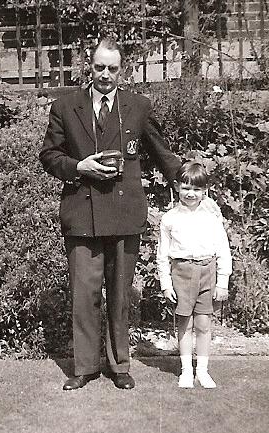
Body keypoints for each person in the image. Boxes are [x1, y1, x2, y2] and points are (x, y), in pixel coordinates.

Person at [39, 37, 181, 390]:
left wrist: (192, 184)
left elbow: (162, 153)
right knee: (84, 295)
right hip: (82, 215)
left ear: (122, 70)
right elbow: (49, 156)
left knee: (119, 295)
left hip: (123, 213)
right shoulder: (65, 107)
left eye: (112, 69)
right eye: (100, 67)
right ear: (91, 66)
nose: (105, 74)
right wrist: (79, 166)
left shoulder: (138, 106)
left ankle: (119, 366)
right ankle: (84, 367)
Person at [156, 161, 232, 389]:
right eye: (186, 188)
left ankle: (203, 371)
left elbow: (223, 251)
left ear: (204, 191)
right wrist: (166, 284)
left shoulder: (211, 218)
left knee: (203, 324)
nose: (191, 193)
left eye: (197, 189)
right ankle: (186, 371)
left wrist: (222, 282)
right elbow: (162, 255)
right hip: (181, 273)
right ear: (177, 186)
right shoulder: (169, 218)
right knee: (185, 324)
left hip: (207, 273)